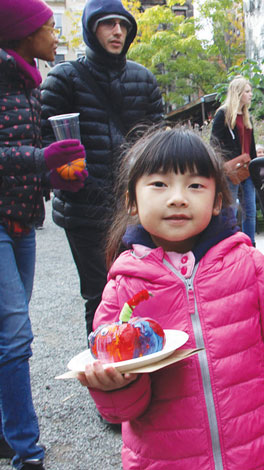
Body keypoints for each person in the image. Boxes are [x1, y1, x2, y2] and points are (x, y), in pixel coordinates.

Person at [76, 125, 264, 470]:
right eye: (159, 184)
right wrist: (114, 387)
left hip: (256, 451)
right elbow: (124, 411)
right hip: (165, 459)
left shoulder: (251, 267)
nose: (178, 197)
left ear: (218, 200)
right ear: (132, 199)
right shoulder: (123, 289)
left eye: (195, 185)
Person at [41, 0, 164, 339]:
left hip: (134, 208)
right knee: (99, 294)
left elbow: (158, 142)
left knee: (144, 287)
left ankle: (143, 359)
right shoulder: (64, 79)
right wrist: (62, 171)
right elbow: (42, 138)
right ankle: (106, 369)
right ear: (90, 29)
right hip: (84, 209)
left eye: (123, 24)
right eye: (108, 24)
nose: (117, 31)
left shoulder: (143, 78)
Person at [0, 0, 87, 468]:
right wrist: (43, 160)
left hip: (22, 220)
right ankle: (26, 451)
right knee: (15, 336)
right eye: (49, 27)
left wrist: (59, 178)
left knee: (4, 335)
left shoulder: (31, 84)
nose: (56, 35)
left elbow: (32, 151)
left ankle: (3, 433)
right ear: (20, 33)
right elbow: (25, 153)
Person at [211, 76, 258, 245]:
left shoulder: (247, 116)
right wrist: (225, 164)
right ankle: (229, 243)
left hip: (248, 169)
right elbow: (214, 143)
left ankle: (250, 245)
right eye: (247, 91)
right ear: (238, 93)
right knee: (230, 209)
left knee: (250, 210)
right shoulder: (223, 114)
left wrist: (255, 167)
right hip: (231, 170)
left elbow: (251, 145)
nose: (250, 94)